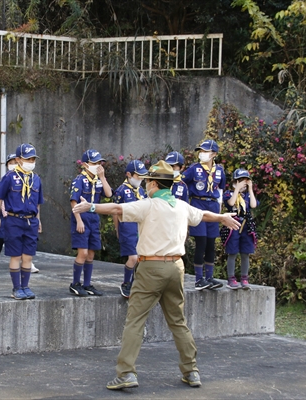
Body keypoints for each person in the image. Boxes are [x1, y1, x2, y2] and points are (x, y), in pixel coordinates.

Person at [72, 160, 241, 390]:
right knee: (178, 322)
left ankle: (126, 373)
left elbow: (116, 209)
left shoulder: (148, 204)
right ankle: (191, 371)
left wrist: (89, 207)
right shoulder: (181, 206)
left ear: (152, 183)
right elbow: (203, 215)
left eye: (147, 181)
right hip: (176, 268)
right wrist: (222, 217)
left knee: (135, 320)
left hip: (150, 267)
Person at [0, 143, 43, 300]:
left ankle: (25, 286)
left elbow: (37, 203)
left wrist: (38, 220)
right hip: (14, 220)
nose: (31, 161)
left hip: (31, 221)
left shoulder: (36, 179)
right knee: (15, 255)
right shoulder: (9, 177)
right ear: (18, 159)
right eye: (28, 158)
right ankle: (16, 288)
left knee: (28, 256)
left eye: (33, 159)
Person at [181, 139, 226, 290]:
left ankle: (210, 277)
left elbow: (220, 189)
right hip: (198, 204)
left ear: (213, 154)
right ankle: (199, 279)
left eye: (205, 151)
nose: (202, 154)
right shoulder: (194, 169)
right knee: (201, 242)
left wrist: (219, 206)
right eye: (201, 151)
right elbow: (181, 182)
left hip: (212, 205)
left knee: (211, 244)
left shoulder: (219, 170)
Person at [69, 149, 112, 297]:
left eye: (99, 162)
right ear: (86, 165)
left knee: (91, 253)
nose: (98, 165)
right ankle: (75, 283)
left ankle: (87, 284)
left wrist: (103, 177)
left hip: (94, 218)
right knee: (83, 252)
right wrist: (78, 220)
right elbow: (74, 202)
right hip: (82, 217)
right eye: (94, 163)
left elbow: (108, 194)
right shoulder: (79, 180)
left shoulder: (99, 180)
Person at [0, 153, 39, 274]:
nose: (12, 165)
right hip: (9, 215)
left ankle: (28, 263)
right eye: (10, 163)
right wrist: (0, 215)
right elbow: (0, 198)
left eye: (14, 163)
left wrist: (38, 218)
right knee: (2, 237)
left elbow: (34, 200)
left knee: (26, 245)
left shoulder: (33, 178)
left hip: (27, 217)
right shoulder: (7, 177)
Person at [113, 159, 148, 298]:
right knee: (132, 257)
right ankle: (126, 283)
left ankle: (135, 283)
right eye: (137, 176)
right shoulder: (121, 190)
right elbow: (115, 211)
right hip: (127, 226)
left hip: (139, 227)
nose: (140, 179)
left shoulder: (140, 190)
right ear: (129, 174)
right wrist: (117, 229)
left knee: (140, 257)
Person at [222, 169, 258, 290]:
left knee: (245, 253)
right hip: (233, 224)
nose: (243, 184)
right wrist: (236, 190)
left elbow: (253, 205)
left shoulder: (248, 195)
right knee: (232, 252)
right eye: (240, 181)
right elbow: (231, 203)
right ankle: (231, 278)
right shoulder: (229, 194)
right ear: (234, 183)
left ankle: (244, 278)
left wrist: (250, 189)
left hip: (246, 225)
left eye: (245, 182)